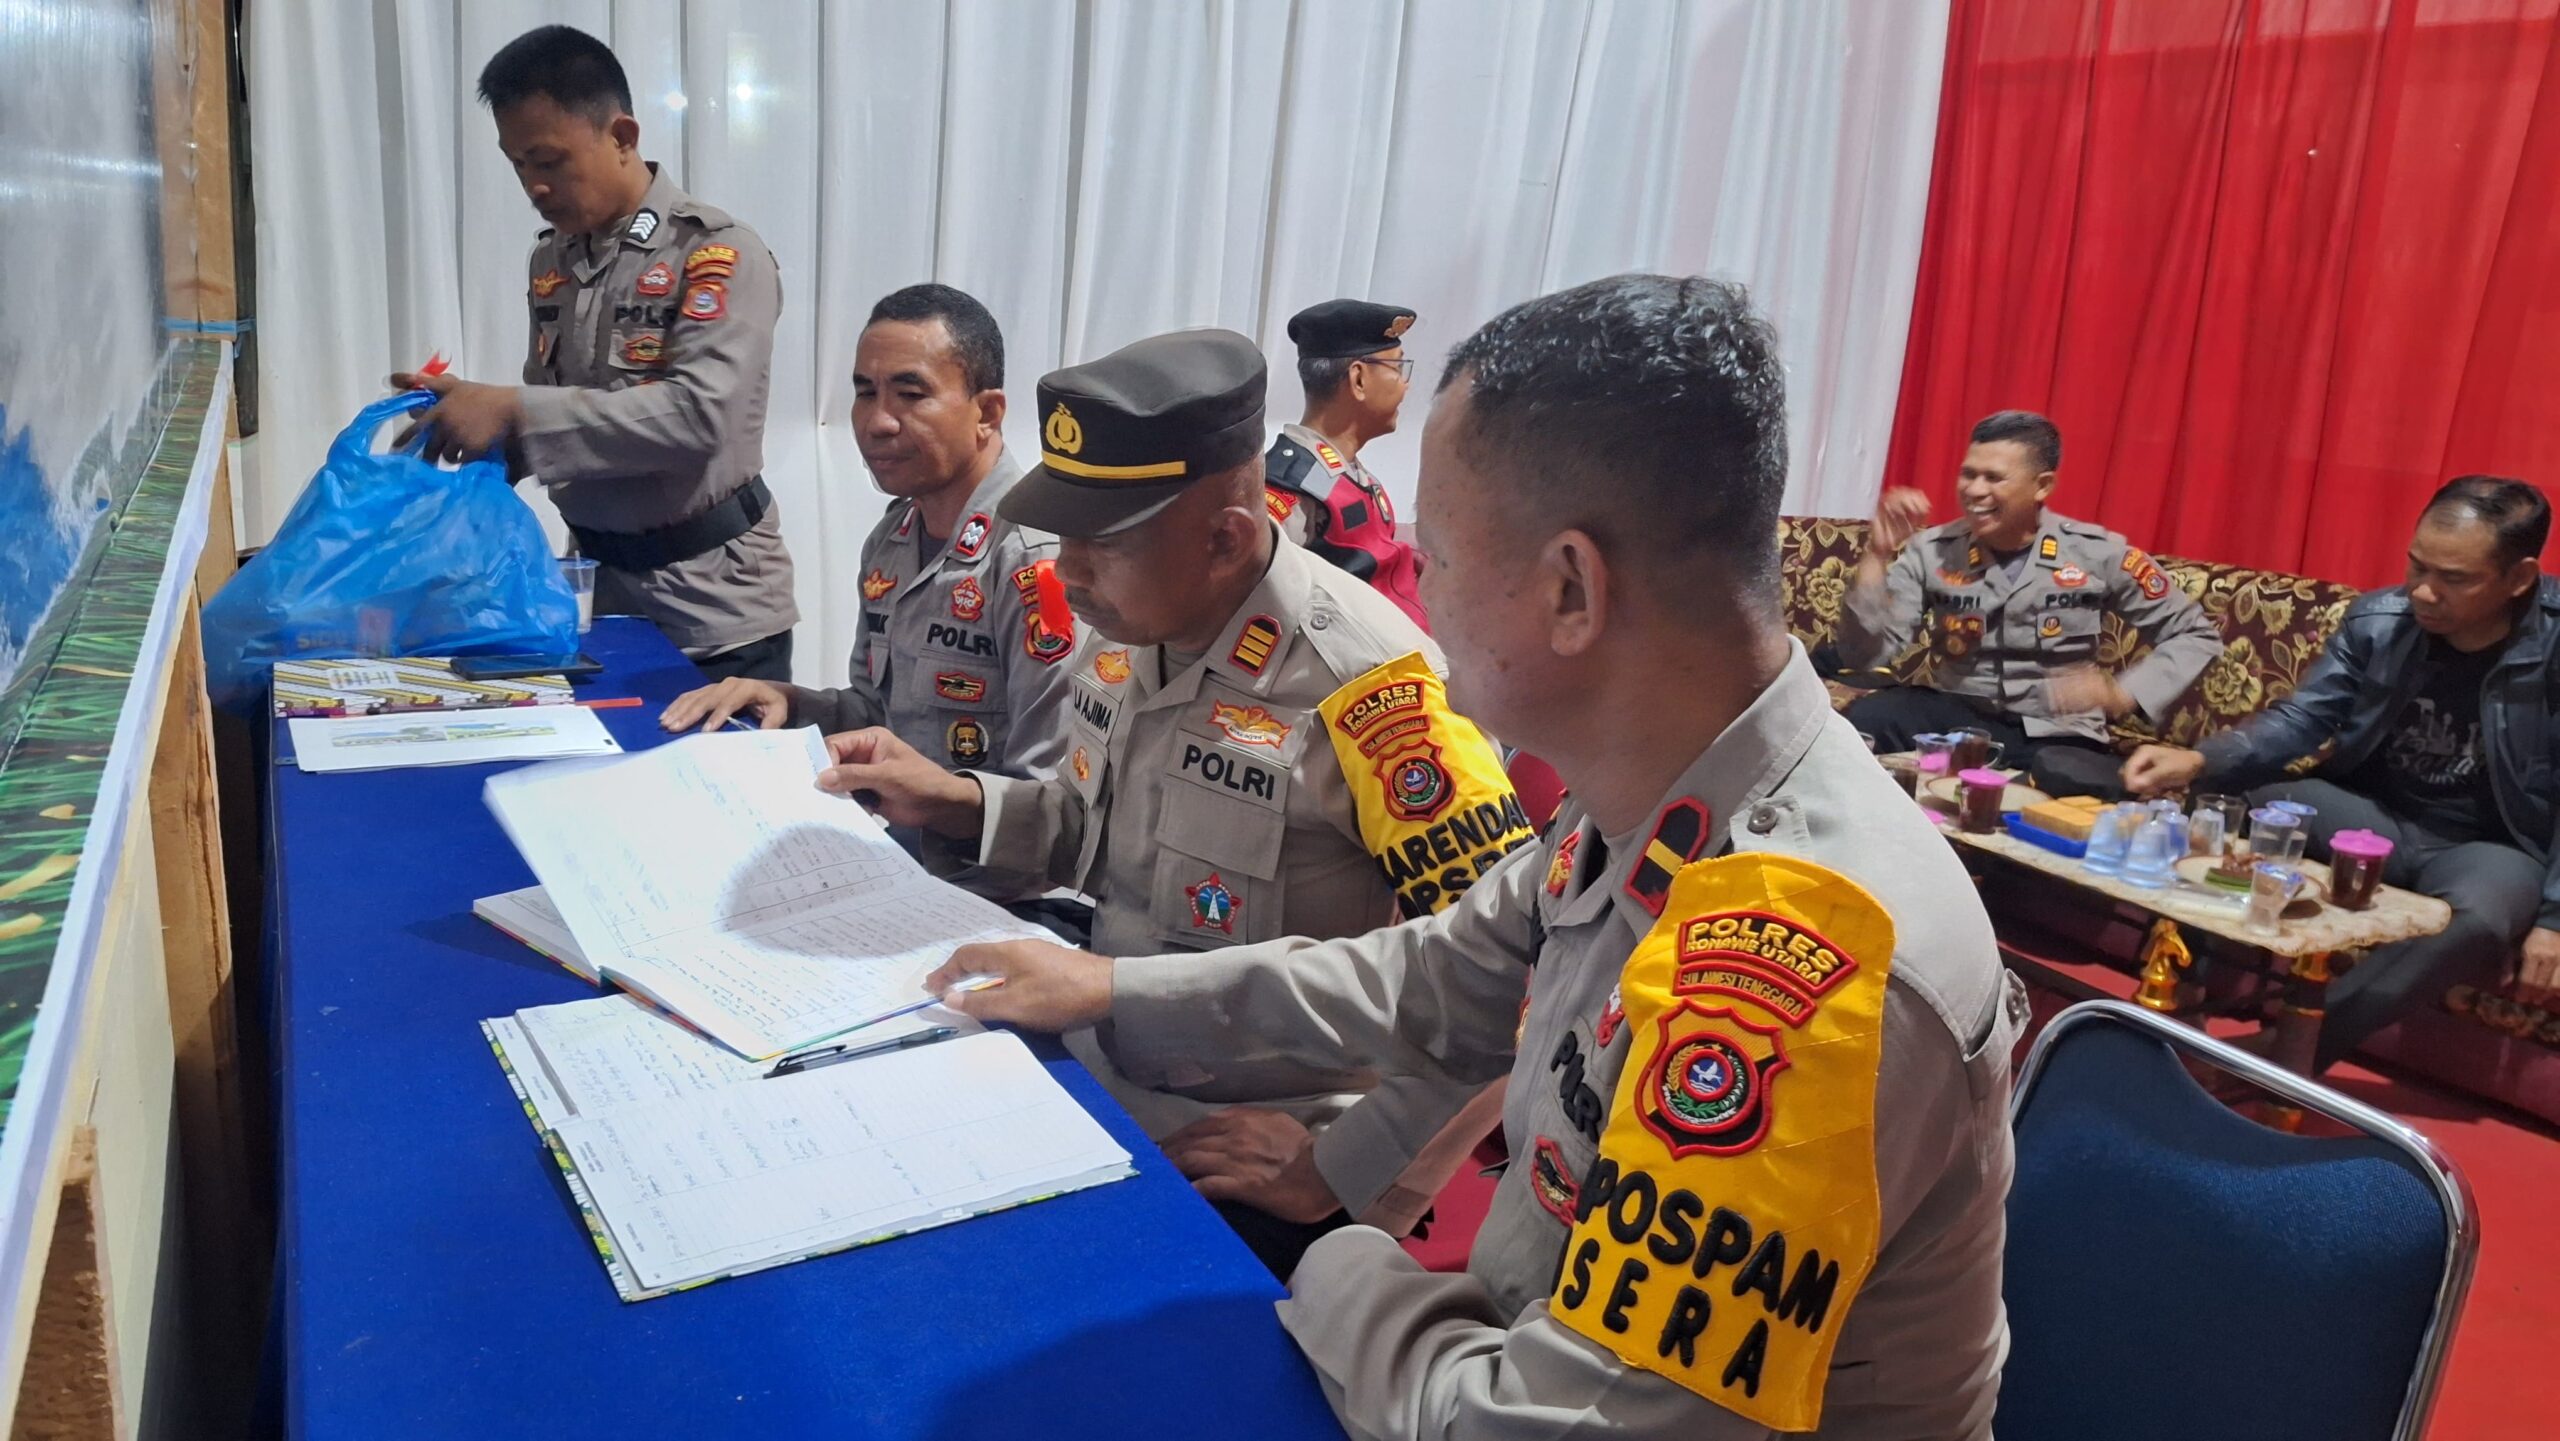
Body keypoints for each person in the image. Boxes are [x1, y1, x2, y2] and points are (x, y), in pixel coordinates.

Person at [922, 276, 2020, 1438]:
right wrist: (1111, 989)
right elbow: (1435, 975)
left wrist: (1331, 1256)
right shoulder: (1651, 791)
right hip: (1484, 1340)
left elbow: (1532, 1427)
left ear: (1569, 590)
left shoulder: (1800, 964)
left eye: (1435, 555)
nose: (1416, 593)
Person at [818, 328, 1538, 1274]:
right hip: (1104, 1068)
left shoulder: (1373, 692)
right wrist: (956, 800)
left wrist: (1341, 1170)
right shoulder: (1131, 621)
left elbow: (1509, 984)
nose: (1068, 571)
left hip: (1256, 1141)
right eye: (1065, 534)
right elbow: (1098, 834)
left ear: (1224, 538)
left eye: (1102, 544)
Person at [392, 26, 797, 682]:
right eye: (518, 165)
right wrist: (472, 426)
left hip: (714, 613)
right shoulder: (552, 260)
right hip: (595, 598)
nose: (534, 187)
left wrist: (513, 410)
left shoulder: (715, 254)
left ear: (623, 137)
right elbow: (567, 420)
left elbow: (701, 417)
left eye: (549, 162)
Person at [2125, 476, 2560, 1070]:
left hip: (2490, 846)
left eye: (2455, 579)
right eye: (2417, 566)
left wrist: (2554, 919)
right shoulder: (2379, 620)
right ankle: (2181, 995)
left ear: (2520, 578)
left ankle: (2291, 1055)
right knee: (2225, 797)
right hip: (2371, 820)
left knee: (2482, 917)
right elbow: (2304, 719)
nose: (2423, 592)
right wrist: (2203, 759)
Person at [658, 284, 1073, 901]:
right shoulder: (895, 536)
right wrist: (789, 703)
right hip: (892, 869)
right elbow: (883, 716)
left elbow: (1058, 814)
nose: (878, 421)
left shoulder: (1039, 564)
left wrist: (940, 807)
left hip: (994, 901)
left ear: (987, 413)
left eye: (911, 394)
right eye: (864, 392)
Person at [1836, 411, 2222, 798]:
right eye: (1969, 474)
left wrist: (2123, 694)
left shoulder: (2095, 554)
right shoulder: (1932, 551)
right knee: (1869, 719)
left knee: (2069, 778)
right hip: (1959, 717)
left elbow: (2195, 634)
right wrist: (1877, 554)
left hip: (2054, 731)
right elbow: (1864, 654)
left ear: (2042, 486)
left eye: (1994, 478)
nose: (1974, 490)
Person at [1267, 300, 1430, 628]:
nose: (1406, 384)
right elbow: (1266, 603)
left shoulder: (1351, 475)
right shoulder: (1292, 487)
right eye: (1398, 368)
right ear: (1358, 379)